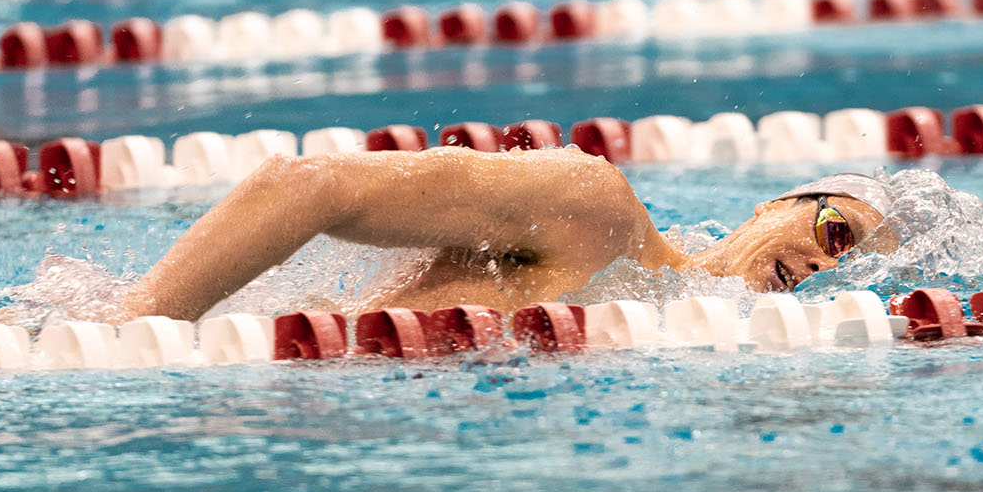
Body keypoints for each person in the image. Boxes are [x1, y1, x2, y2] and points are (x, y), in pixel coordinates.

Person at [118, 146, 896, 321]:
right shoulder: (597, 213)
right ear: (775, 207)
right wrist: (131, 329)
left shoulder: (663, 317)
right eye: (836, 232)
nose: (827, 268)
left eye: (850, 270)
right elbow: (307, 186)